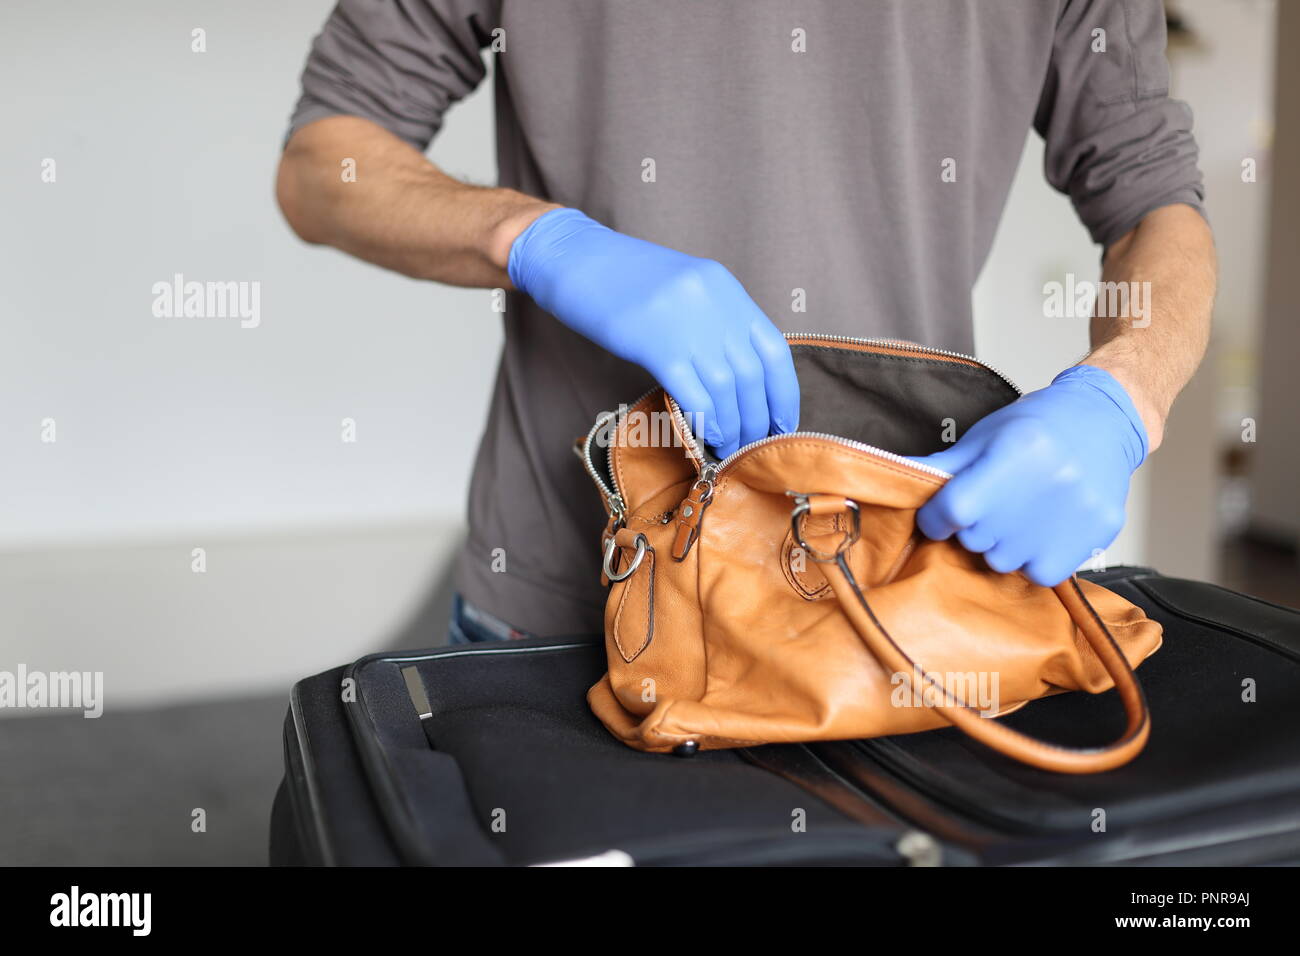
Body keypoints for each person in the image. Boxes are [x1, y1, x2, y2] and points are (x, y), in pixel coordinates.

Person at [276, 1, 1216, 642]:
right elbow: (324, 165)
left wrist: (1125, 394)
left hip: (883, 594)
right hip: (566, 600)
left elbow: (1153, 200)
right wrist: (536, 241)